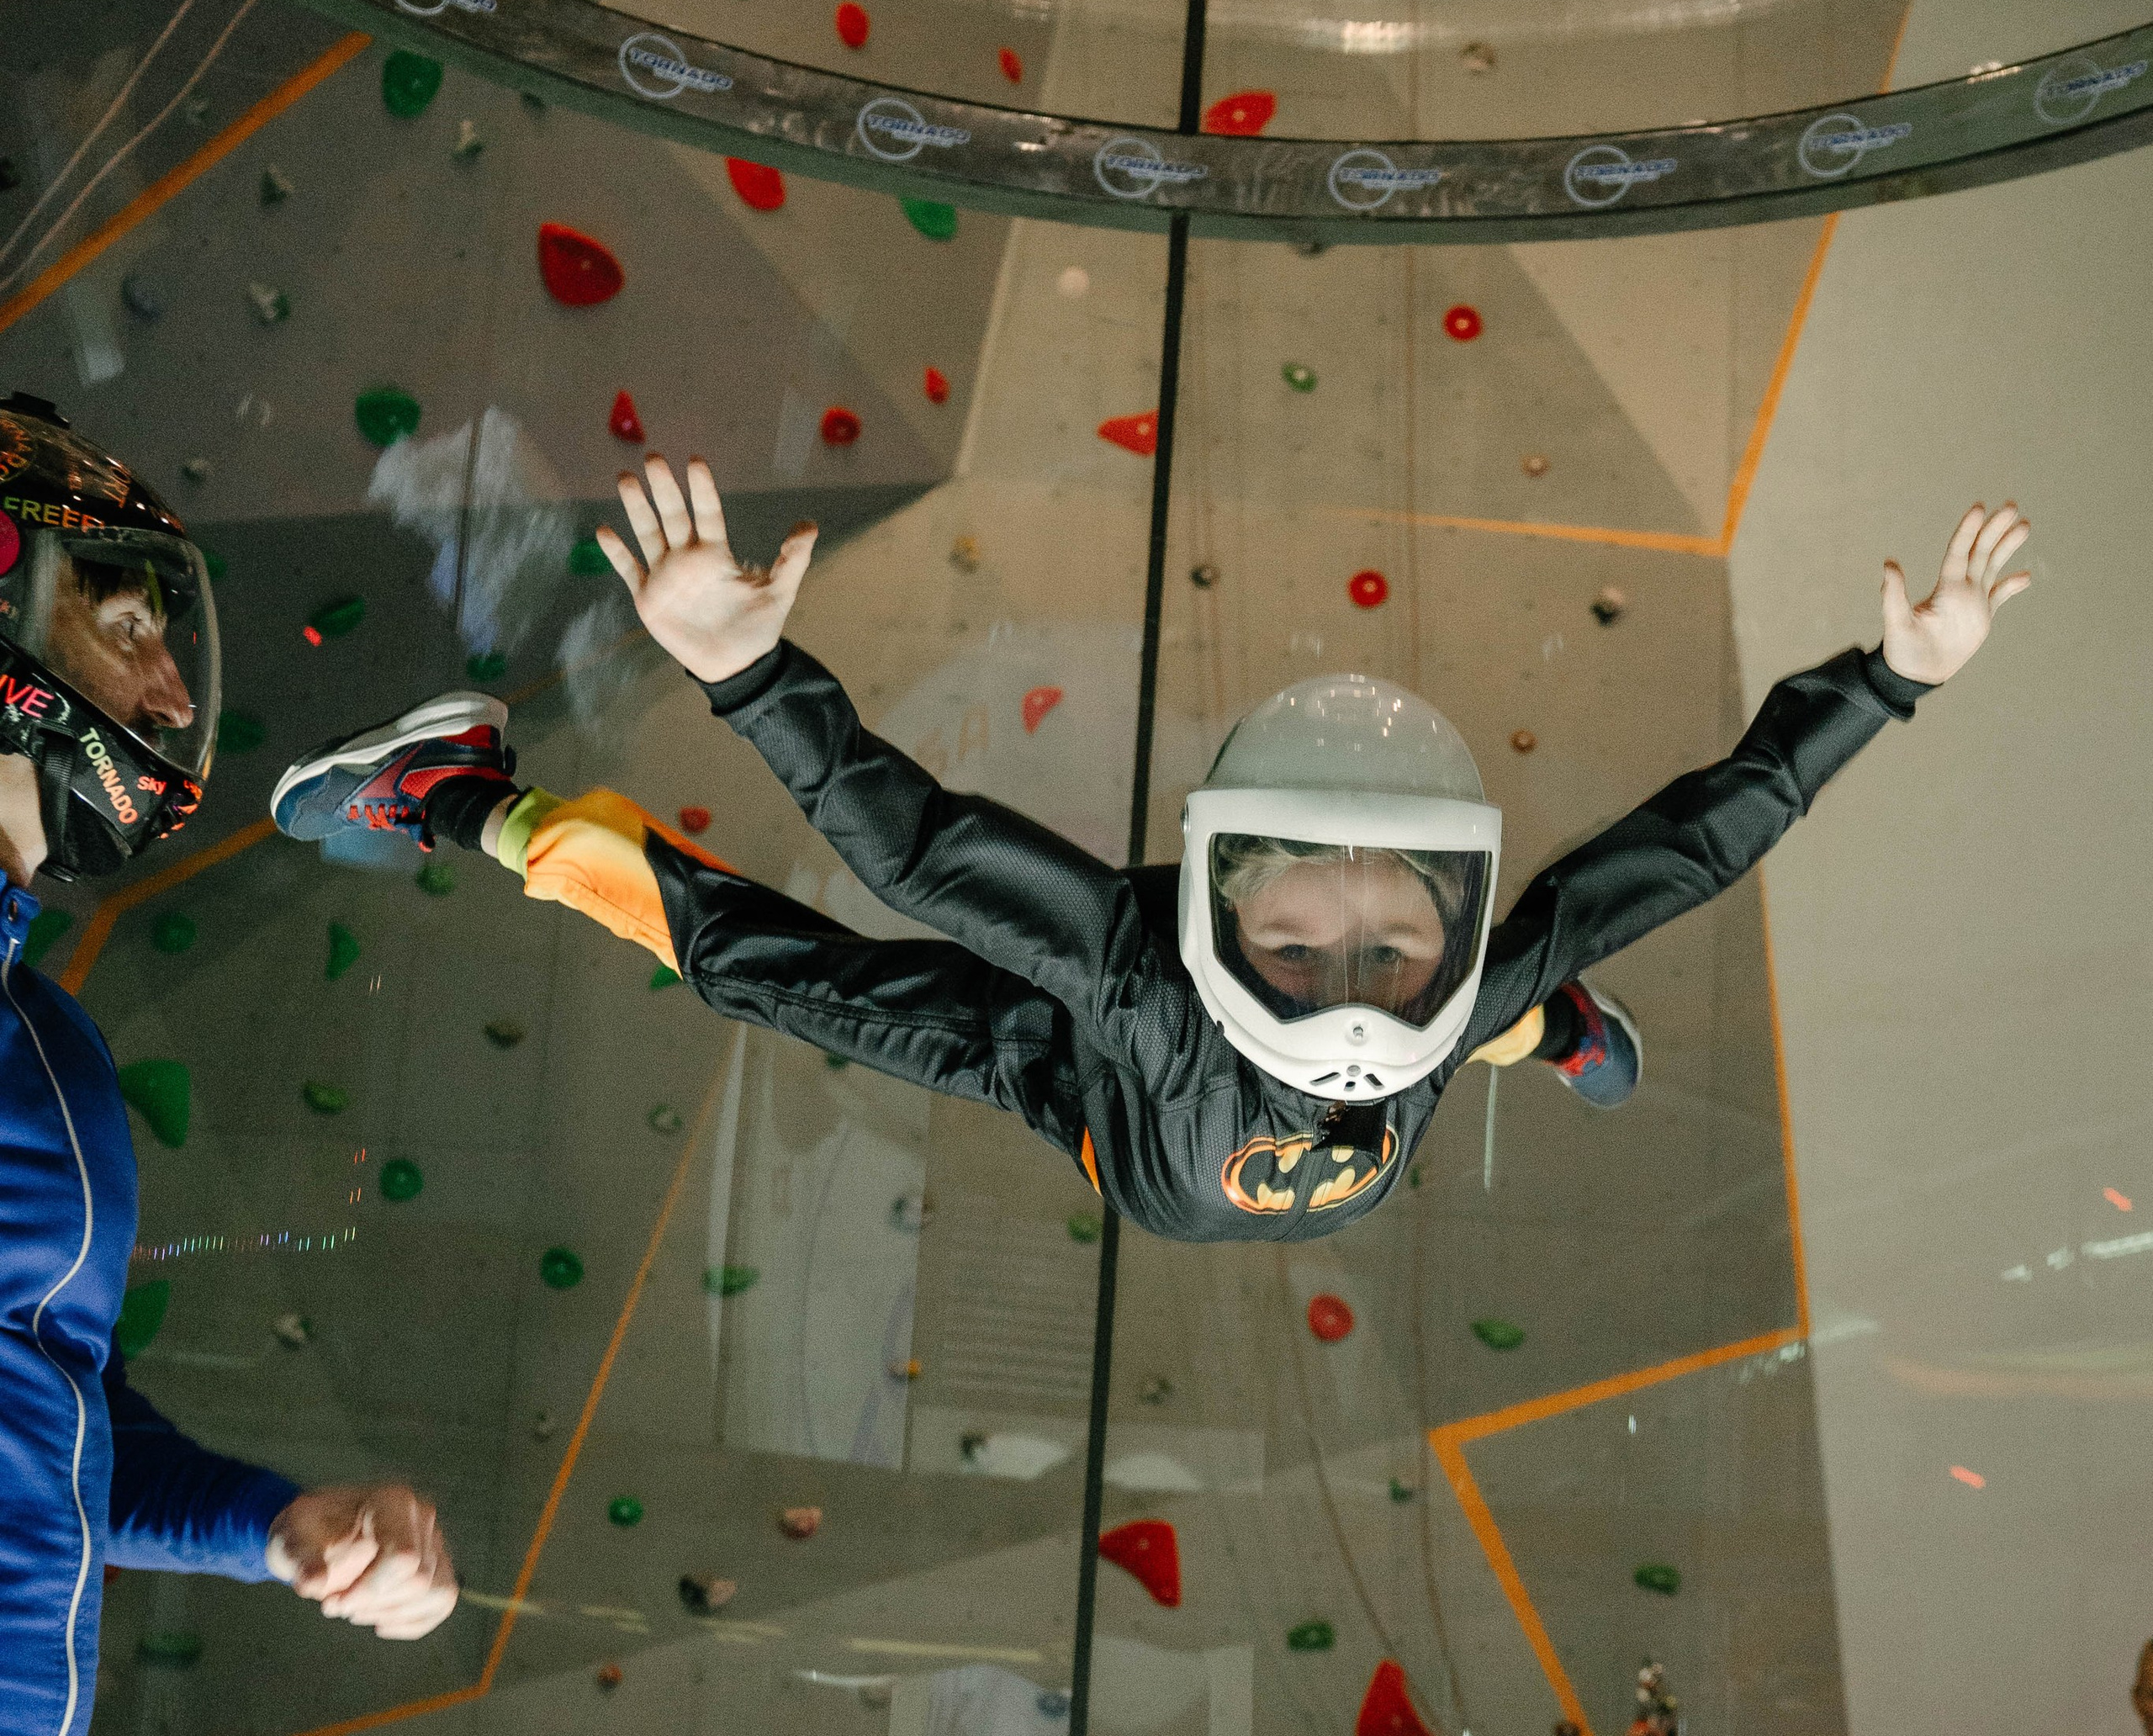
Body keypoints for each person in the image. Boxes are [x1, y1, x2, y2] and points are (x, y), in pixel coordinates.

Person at [267, 455, 2031, 1247]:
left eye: (1374, 936)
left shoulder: (1428, 956)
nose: (1344, 962)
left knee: (775, 976)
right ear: (1208, 907)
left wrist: (1895, 676)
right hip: (1093, 1078)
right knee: (765, 969)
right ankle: (465, 795)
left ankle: (1544, 1034)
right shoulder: (1148, 974)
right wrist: (1886, 683)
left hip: (1121, 1113)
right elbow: (912, 849)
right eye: (1315, 921)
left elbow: (1707, 837)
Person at [0, 390, 458, 1736]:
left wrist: (272, 1519)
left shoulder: (47, 1033)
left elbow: (54, 1429)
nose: (171, 669)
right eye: (119, 611)